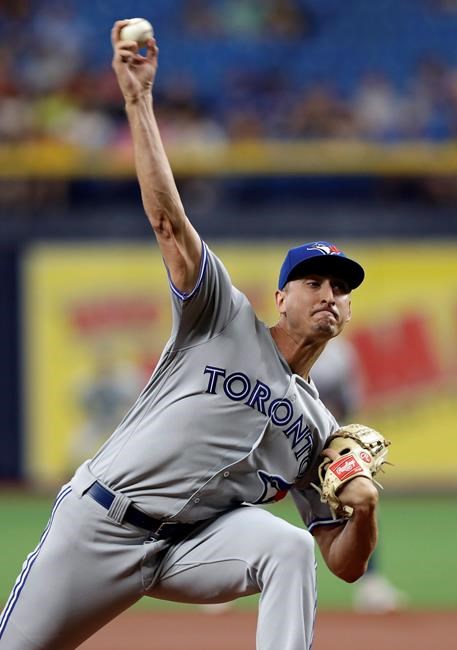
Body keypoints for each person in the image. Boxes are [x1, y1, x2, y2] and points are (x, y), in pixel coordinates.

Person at [0, 22, 380, 650]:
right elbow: (169, 224)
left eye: (340, 289)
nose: (329, 296)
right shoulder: (221, 317)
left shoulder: (318, 427)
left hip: (191, 549)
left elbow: (344, 562)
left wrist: (363, 511)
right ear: (280, 297)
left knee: (288, 547)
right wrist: (138, 99)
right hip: (100, 523)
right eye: (313, 282)